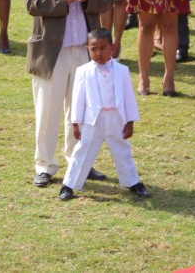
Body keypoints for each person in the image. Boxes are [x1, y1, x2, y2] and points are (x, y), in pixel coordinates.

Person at [24, 0, 113, 188]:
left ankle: (80, 163)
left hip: (85, 54)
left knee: (81, 114)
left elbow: (107, 0)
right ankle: (45, 166)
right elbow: (32, 3)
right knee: (47, 112)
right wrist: (66, 0)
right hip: (52, 52)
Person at [58, 29, 151, 201]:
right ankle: (68, 185)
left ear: (112, 47)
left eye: (103, 48)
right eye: (94, 49)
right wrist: (76, 123)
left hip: (116, 118)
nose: (98, 53)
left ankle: (133, 183)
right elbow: (77, 99)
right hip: (92, 120)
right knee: (82, 151)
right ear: (87, 48)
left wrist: (130, 121)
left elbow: (128, 97)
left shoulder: (122, 70)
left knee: (122, 150)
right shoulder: (83, 71)